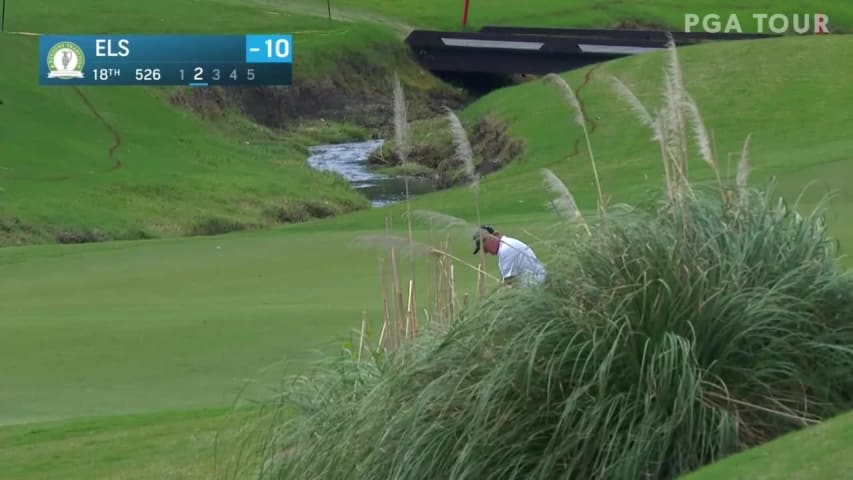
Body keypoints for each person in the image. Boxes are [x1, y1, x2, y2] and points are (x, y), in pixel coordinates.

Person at [473, 225, 546, 287]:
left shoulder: (506, 249)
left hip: (535, 288)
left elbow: (509, 284)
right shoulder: (507, 245)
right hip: (534, 285)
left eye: (485, 247)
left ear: (495, 235)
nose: (485, 252)